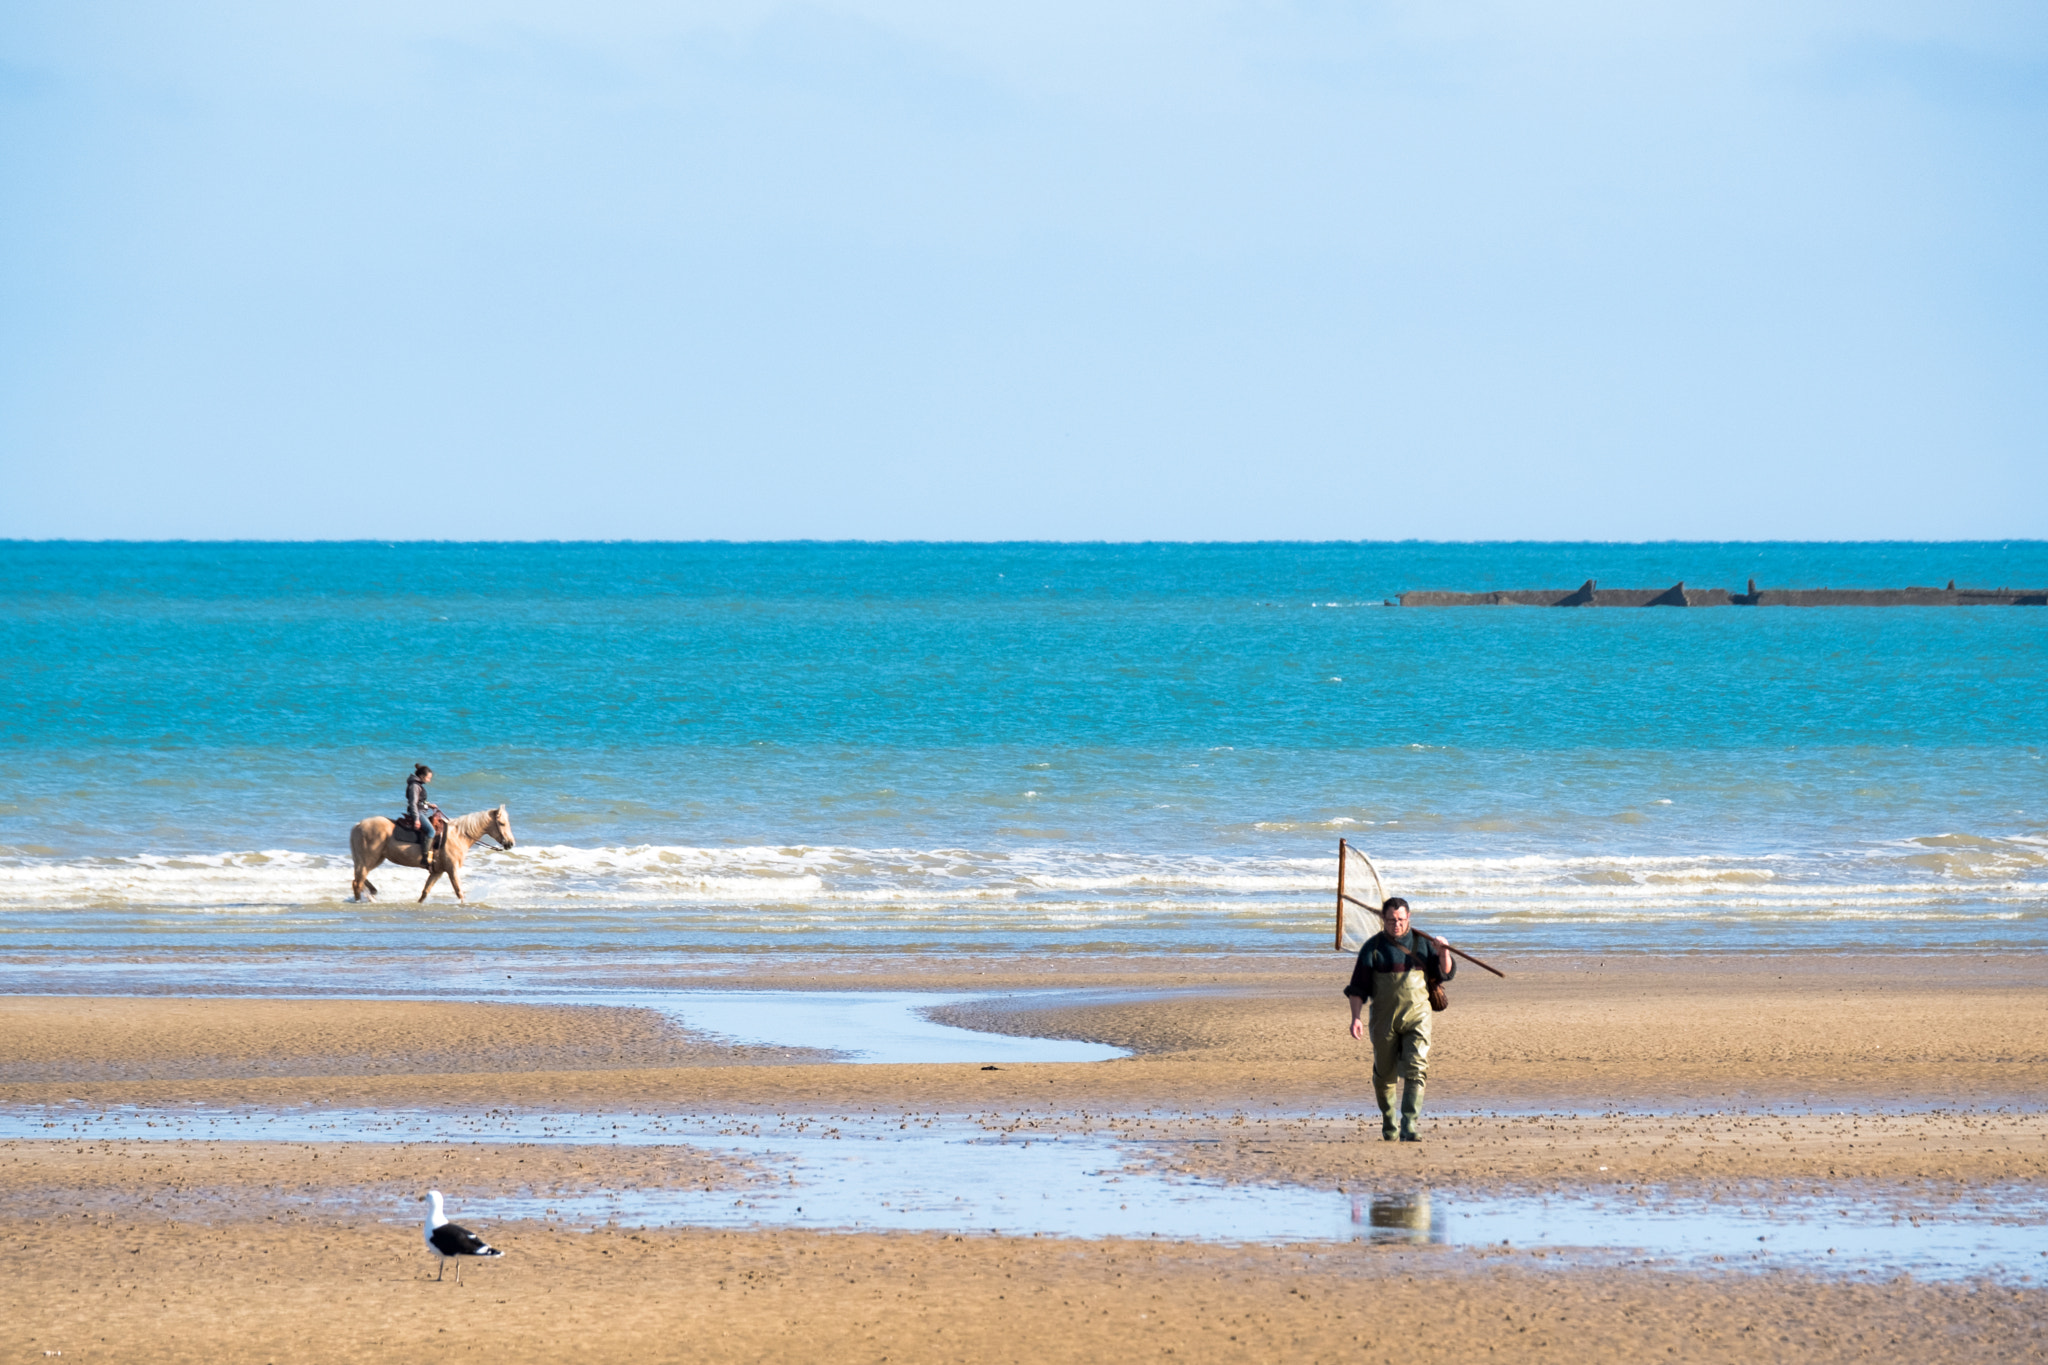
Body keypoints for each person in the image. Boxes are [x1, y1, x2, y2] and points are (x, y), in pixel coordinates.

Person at [1344, 896, 1455, 1142]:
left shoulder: (1423, 944)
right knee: (1384, 1075)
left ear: (1409, 918)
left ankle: (1409, 1125)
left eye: (1401, 919)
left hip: (1418, 1016)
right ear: (1383, 920)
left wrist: (1444, 951)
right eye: (1392, 920)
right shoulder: (1372, 948)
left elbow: (1445, 973)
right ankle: (1388, 1122)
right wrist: (1356, 1018)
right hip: (1384, 1019)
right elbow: (1357, 988)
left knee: (1417, 1069)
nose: (1397, 924)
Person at [405, 764, 441, 860]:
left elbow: (421, 800)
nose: (429, 780)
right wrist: (416, 819)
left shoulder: (418, 785)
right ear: (421, 776)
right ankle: (425, 856)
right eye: (428, 778)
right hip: (418, 812)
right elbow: (413, 803)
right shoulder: (414, 786)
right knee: (431, 831)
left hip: (422, 811)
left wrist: (429, 805)